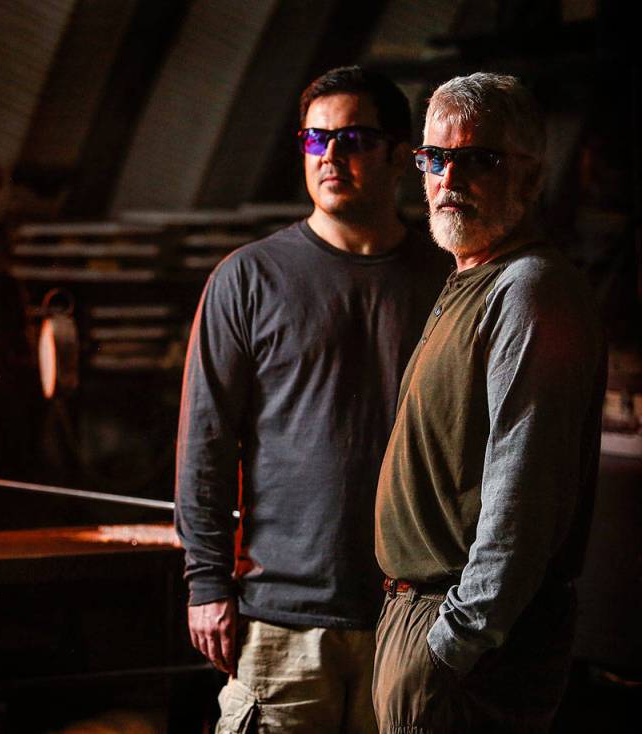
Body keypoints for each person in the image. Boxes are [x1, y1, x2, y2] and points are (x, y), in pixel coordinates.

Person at [174, 66, 451, 733]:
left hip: (413, 620)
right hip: (282, 621)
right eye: (315, 140)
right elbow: (205, 442)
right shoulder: (249, 279)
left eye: (353, 138)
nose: (330, 155)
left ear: (397, 155)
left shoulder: (447, 281)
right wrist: (207, 584)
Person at [373, 73, 606, 733]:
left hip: (467, 642)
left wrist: (452, 645)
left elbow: (523, 492)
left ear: (529, 178)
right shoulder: (469, 279)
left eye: (479, 160)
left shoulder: (527, 288)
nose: (449, 178)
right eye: (434, 158)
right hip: (427, 623)